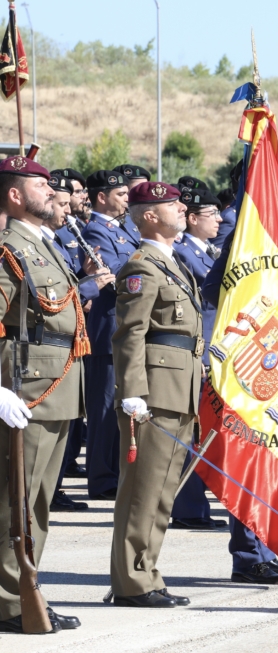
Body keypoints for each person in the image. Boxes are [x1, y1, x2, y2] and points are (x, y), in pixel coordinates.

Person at [0, 156, 87, 634]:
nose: (54, 191)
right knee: (13, 501)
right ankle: (9, 601)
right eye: (41, 184)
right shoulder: (8, 247)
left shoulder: (41, 245)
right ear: (15, 194)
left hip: (56, 384)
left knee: (36, 503)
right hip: (26, 387)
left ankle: (26, 590)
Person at [108, 181, 199, 608]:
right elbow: (131, 334)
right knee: (142, 491)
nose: (182, 210)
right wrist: (132, 392)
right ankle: (131, 582)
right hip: (155, 392)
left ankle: (147, 573)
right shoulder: (142, 266)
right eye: (172, 205)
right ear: (149, 215)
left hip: (181, 388)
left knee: (163, 492)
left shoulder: (170, 263)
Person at [44, 175, 111, 513]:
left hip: (70, 340)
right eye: (60, 203)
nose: (67, 210)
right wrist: (89, 286)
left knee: (68, 423)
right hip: (48, 346)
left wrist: (85, 275)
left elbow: (69, 284)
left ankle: (53, 488)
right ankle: (48, 490)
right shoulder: (40, 243)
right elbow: (52, 297)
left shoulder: (58, 240)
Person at [170, 187, 227, 531]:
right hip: (200, 349)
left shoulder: (207, 250)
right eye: (212, 215)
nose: (220, 219)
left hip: (215, 347)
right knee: (194, 431)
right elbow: (210, 289)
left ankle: (197, 504)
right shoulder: (184, 253)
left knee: (205, 430)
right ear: (192, 219)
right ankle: (189, 508)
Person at [82, 170, 140, 500]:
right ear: (101, 197)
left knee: (119, 407)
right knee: (103, 410)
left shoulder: (121, 229)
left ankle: (115, 473)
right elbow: (113, 272)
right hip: (107, 330)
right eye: (120, 194)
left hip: (123, 328)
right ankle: (101, 478)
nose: (126, 199)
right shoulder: (95, 229)